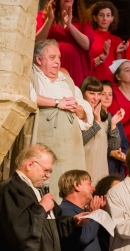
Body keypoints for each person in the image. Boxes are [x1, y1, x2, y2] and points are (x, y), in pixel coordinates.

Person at [27, 39, 93, 198]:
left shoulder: (66, 81)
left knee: (71, 184)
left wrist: (77, 108)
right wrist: (58, 103)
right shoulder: (31, 75)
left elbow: (86, 115)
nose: (57, 62)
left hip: (70, 149)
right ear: (38, 59)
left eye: (59, 58)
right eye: (52, 58)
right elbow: (30, 96)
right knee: (49, 184)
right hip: (46, 144)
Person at [57, 170, 106, 251]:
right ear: (76, 185)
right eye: (89, 183)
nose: (93, 188)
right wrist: (94, 213)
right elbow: (83, 237)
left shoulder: (83, 211)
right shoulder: (65, 211)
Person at [35, 0, 94, 85]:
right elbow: (37, 41)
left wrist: (70, 25)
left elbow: (86, 44)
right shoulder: (44, 15)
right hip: (50, 62)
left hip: (75, 64)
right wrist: (49, 20)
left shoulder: (82, 18)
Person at [80, 77, 120, 185]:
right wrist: (96, 123)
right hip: (85, 168)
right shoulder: (80, 113)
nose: (96, 98)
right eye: (92, 93)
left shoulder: (105, 116)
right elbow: (80, 140)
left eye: (98, 94)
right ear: (83, 93)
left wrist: (113, 125)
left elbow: (114, 146)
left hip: (102, 169)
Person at [89, 1, 125, 83]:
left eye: (108, 15)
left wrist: (118, 54)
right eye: (101, 15)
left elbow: (120, 67)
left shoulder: (117, 40)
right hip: (93, 81)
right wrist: (101, 57)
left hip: (111, 82)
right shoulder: (89, 37)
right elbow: (84, 64)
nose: (105, 19)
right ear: (95, 18)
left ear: (112, 18)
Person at [99, 81, 130, 177]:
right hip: (100, 166)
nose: (107, 97)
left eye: (110, 94)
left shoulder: (114, 117)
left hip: (116, 168)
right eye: (103, 94)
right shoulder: (92, 118)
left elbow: (124, 143)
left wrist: (123, 154)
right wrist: (111, 152)